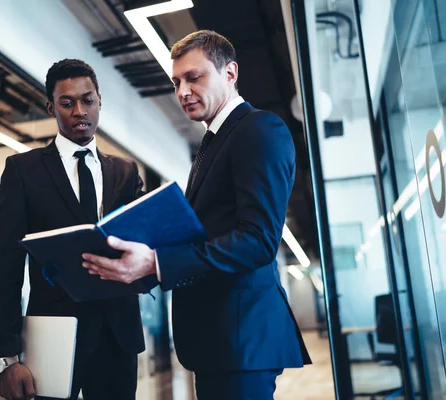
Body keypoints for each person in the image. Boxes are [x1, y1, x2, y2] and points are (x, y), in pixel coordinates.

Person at [82, 30, 311, 399]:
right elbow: (210, 233)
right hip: (220, 341)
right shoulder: (213, 142)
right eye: (176, 82)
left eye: (194, 77)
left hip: (240, 340)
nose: (182, 91)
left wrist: (158, 262)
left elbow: (258, 241)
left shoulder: (257, 129)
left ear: (230, 74)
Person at [0, 59, 146, 400]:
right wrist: (5, 358)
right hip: (52, 338)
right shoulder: (23, 171)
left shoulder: (126, 172)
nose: (79, 110)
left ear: (99, 101)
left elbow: (146, 243)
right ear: (51, 107)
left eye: (87, 100)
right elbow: (4, 269)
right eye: (67, 102)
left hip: (118, 335)